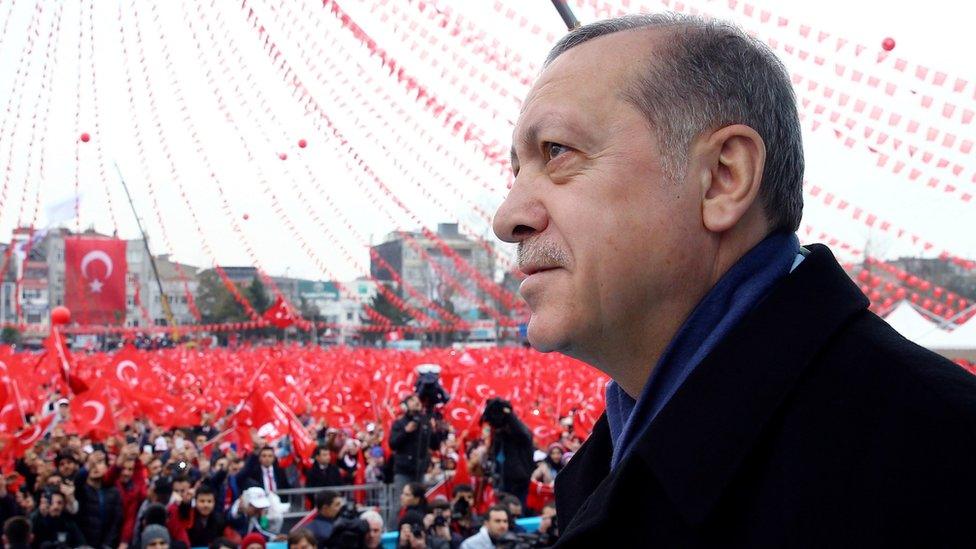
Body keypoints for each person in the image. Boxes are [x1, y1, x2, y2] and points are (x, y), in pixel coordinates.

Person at [492, 11, 976, 547]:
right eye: (517, 170)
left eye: (557, 151)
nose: (508, 216)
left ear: (724, 178)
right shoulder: (613, 463)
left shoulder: (936, 458)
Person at [389, 394, 446, 510]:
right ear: (405, 405)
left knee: (419, 502)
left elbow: (434, 445)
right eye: (412, 400)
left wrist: (436, 431)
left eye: (417, 400)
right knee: (400, 504)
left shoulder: (425, 422)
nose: (416, 402)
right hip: (403, 471)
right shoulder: (399, 423)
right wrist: (405, 431)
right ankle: (394, 527)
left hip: (420, 469)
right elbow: (392, 444)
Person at [75, 454, 123, 548]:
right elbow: (77, 481)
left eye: (100, 463)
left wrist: (108, 544)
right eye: (92, 463)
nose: (95, 467)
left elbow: (116, 521)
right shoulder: (81, 489)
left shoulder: (113, 492)